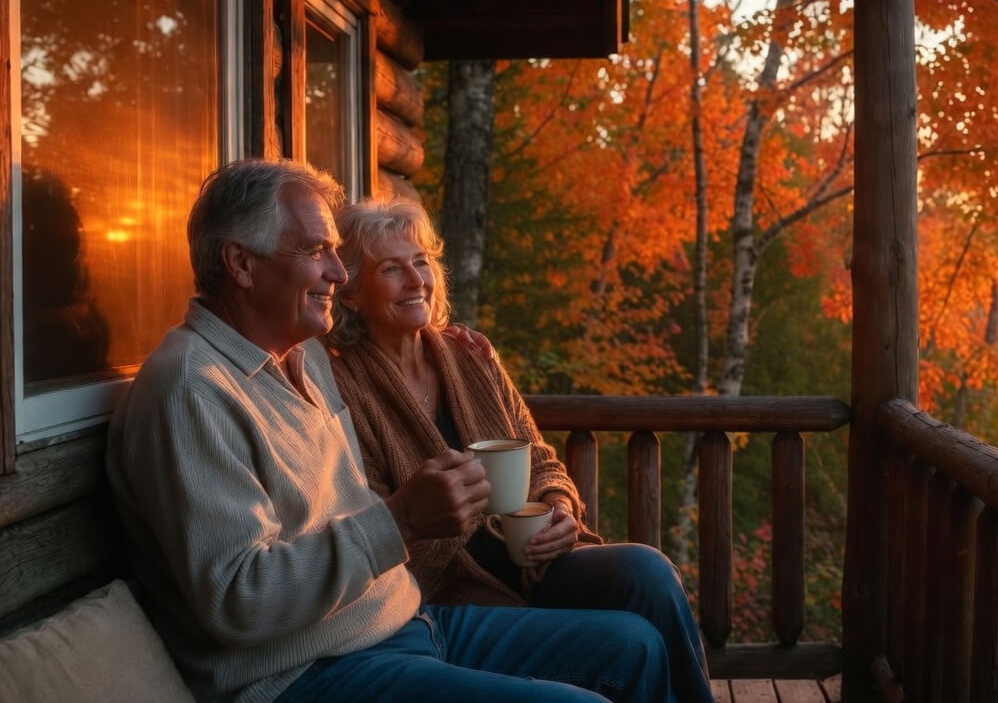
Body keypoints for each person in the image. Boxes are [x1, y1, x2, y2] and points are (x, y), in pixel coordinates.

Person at [105, 159, 673, 703]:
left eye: (336, 252)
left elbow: (531, 455)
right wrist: (402, 519)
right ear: (241, 263)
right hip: (306, 674)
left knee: (637, 646)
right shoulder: (192, 390)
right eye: (315, 251)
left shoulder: (302, 360)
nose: (335, 270)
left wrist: (551, 502)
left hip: (400, 623)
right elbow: (239, 598)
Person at [324, 197, 715, 703]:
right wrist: (461, 512)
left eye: (421, 262)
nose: (416, 280)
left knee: (649, 571)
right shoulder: (343, 386)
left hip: (536, 563)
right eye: (392, 269)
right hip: (450, 594)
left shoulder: (470, 355)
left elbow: (543, 460)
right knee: (632, 638)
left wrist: (558, 511)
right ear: (351, 293)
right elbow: (378, 525)